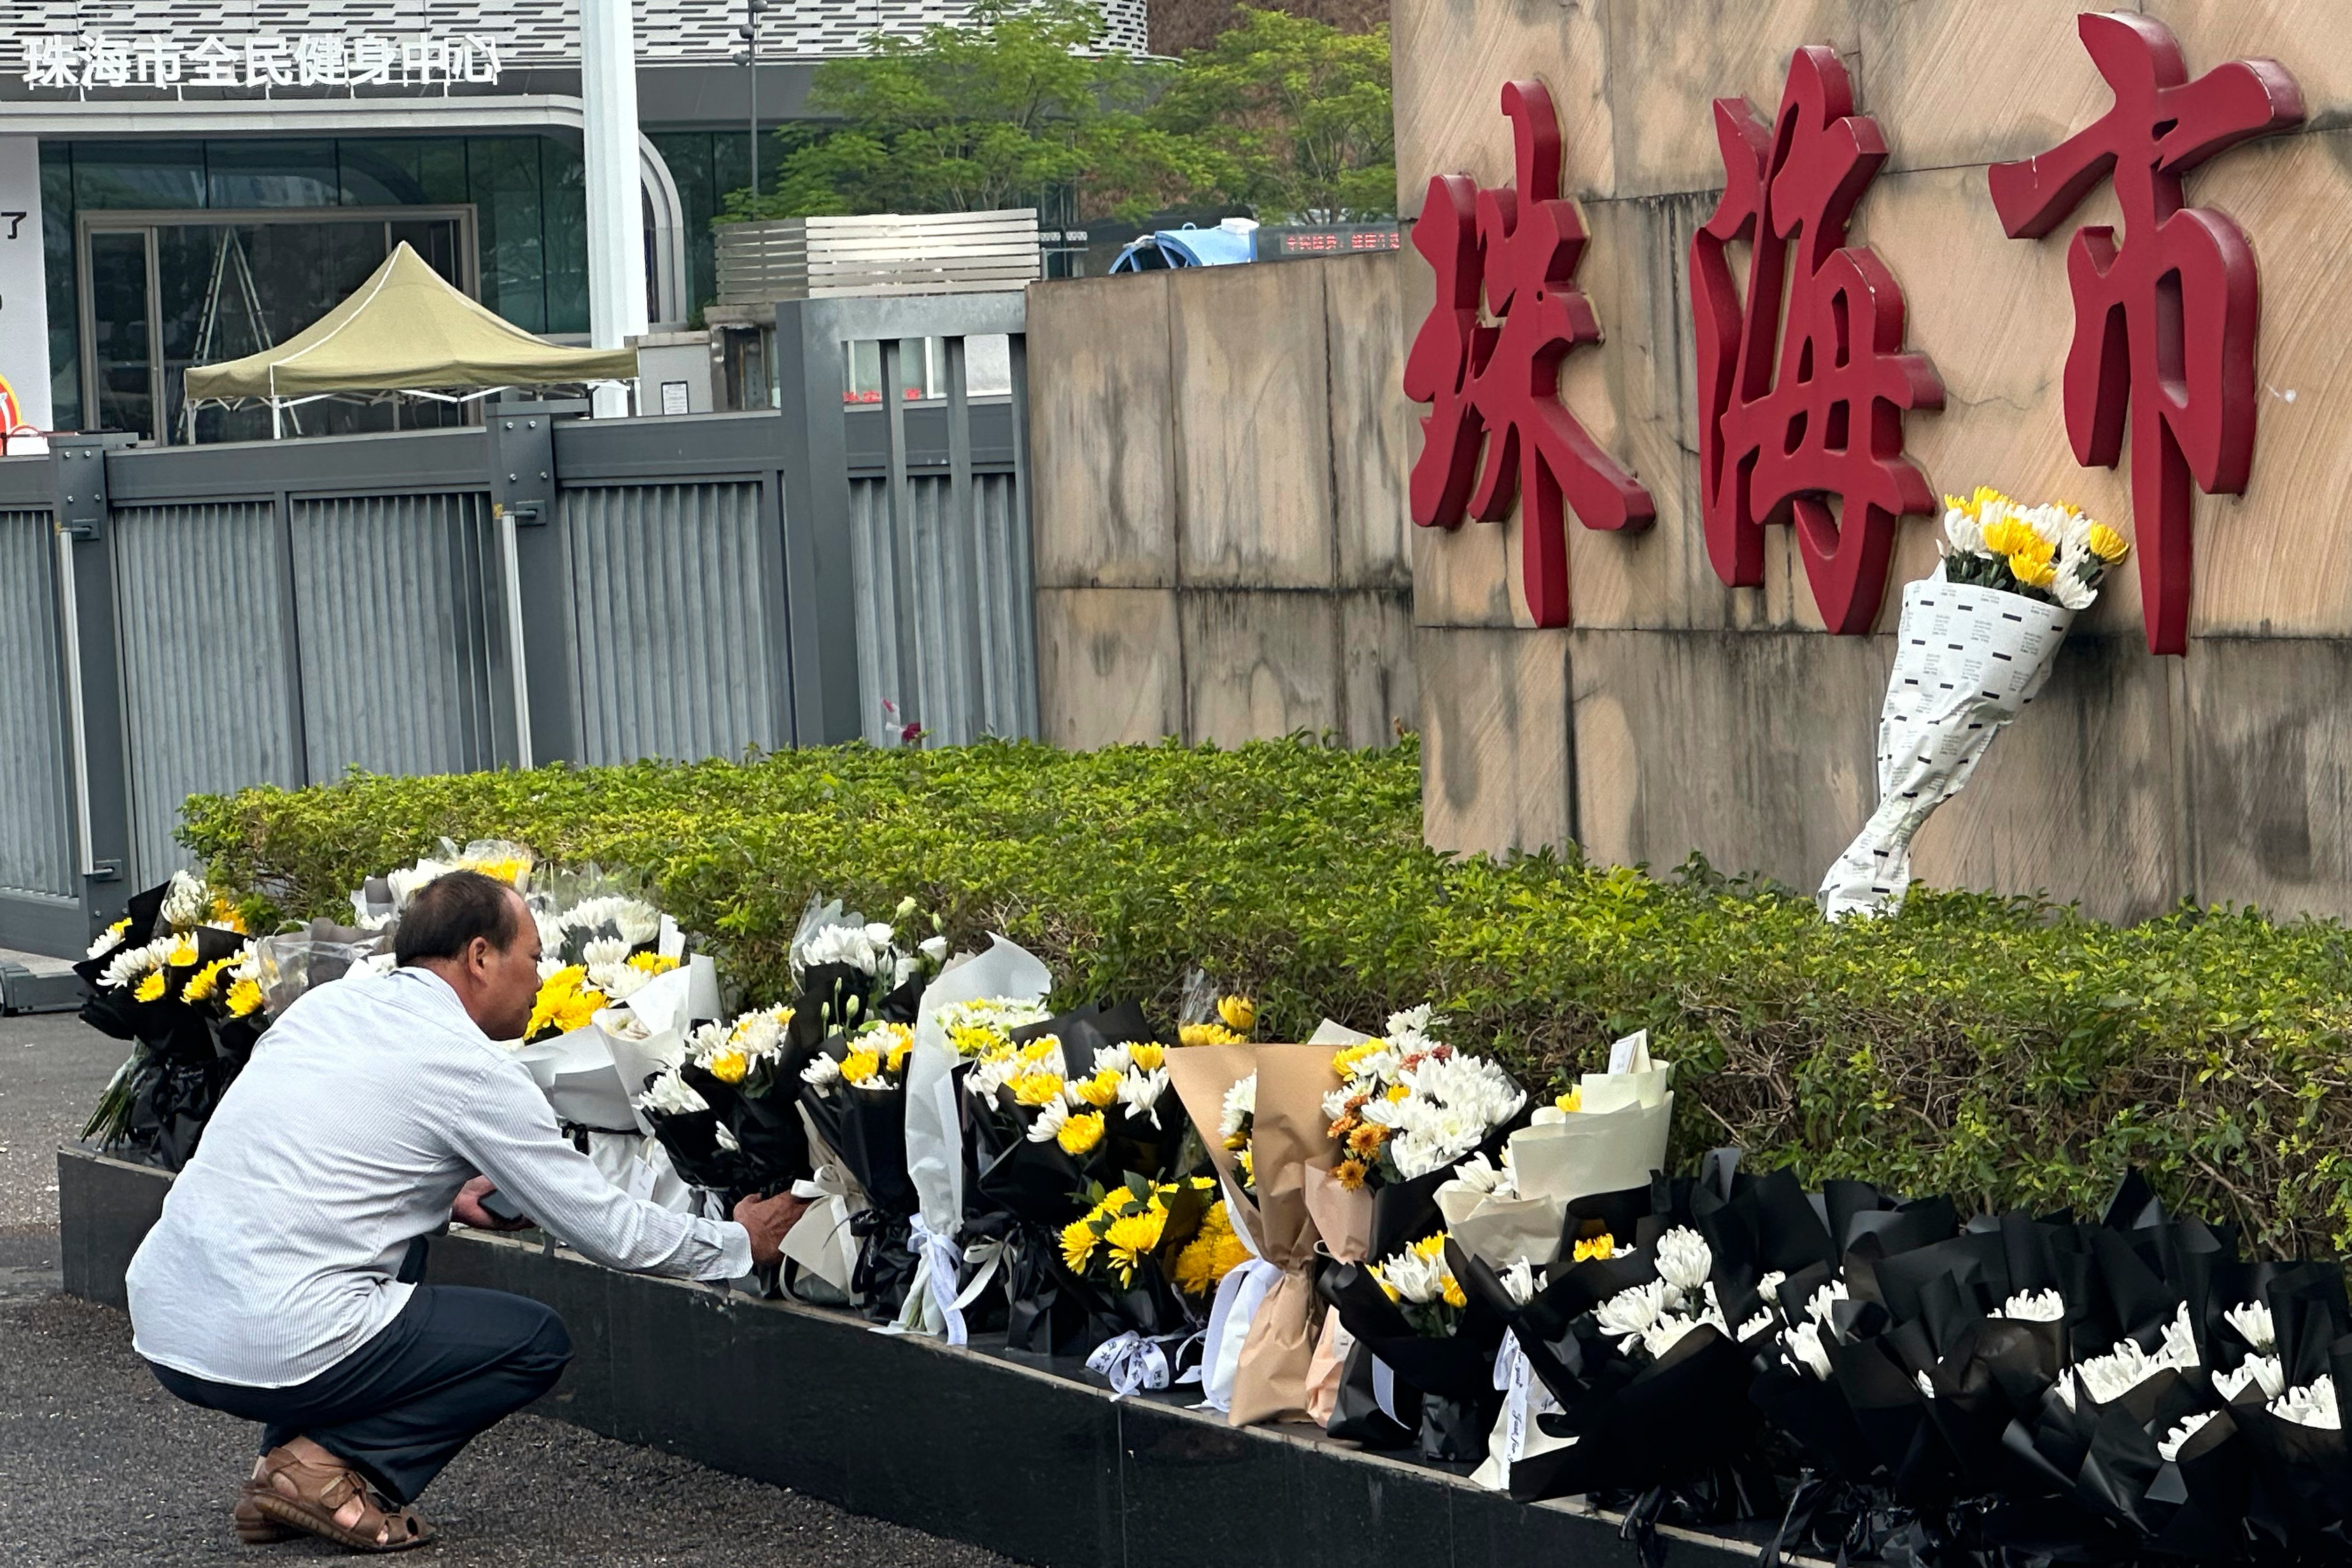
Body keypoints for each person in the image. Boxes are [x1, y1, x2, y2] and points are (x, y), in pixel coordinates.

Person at [125, 870, 805, 1552]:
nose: (543, 978)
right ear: (481, 957)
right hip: (270, 1340)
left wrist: (443, 1191)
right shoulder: (468, 1065)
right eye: (535, 957)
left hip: (166, 1324)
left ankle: (284, 1470)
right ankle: (322, 1467)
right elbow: (606, 1227)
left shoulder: (326, 1007)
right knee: (532, 1342)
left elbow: (298, 1145)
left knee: (407, 1249)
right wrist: (737, 1242)